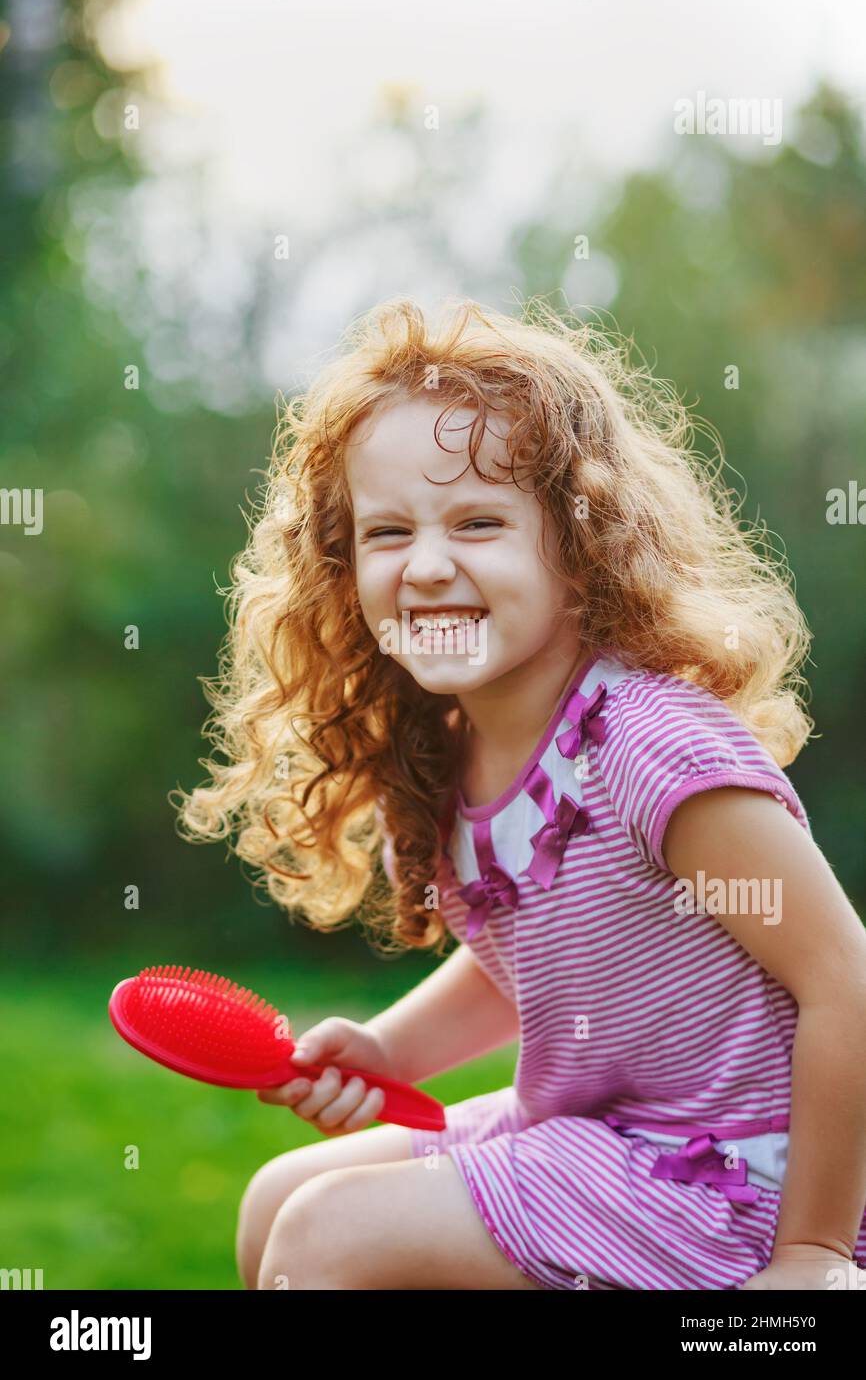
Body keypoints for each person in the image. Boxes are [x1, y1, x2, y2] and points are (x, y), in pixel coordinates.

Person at [174, 295, 866, 1291]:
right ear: (341, 562)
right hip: (598, 1137)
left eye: (477, 521)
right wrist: (385, 1046)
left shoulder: (648, 744)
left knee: (331, 1234)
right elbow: (536, 959)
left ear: (580, 546)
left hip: (737, 1179)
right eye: (385, 532)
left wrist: (813, 1252)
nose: (424, 565)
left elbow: (842, 976)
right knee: (278, 1201)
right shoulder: (449, 754)